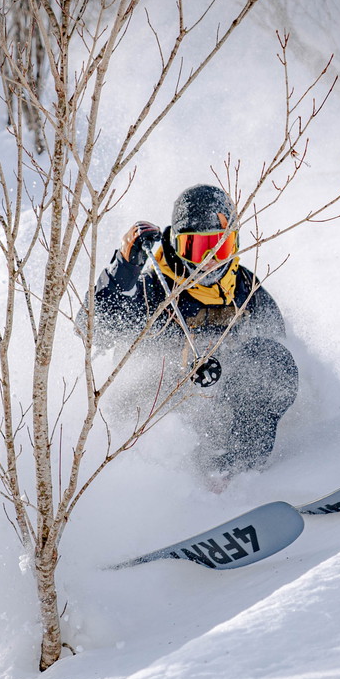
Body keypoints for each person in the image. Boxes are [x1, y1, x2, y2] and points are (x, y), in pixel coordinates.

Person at [80, 184, 298, 480]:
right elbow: (92, 330)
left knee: (267, 359)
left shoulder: (245, 288)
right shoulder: (155, 290)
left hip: (220, 417)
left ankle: (242, 478)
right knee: (165, 382)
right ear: (177, 246)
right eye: (196, 248)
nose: (210, 260)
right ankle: (178, 497)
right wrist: (125, 268)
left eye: (219, 247)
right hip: (158, 418)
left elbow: (278, 348)